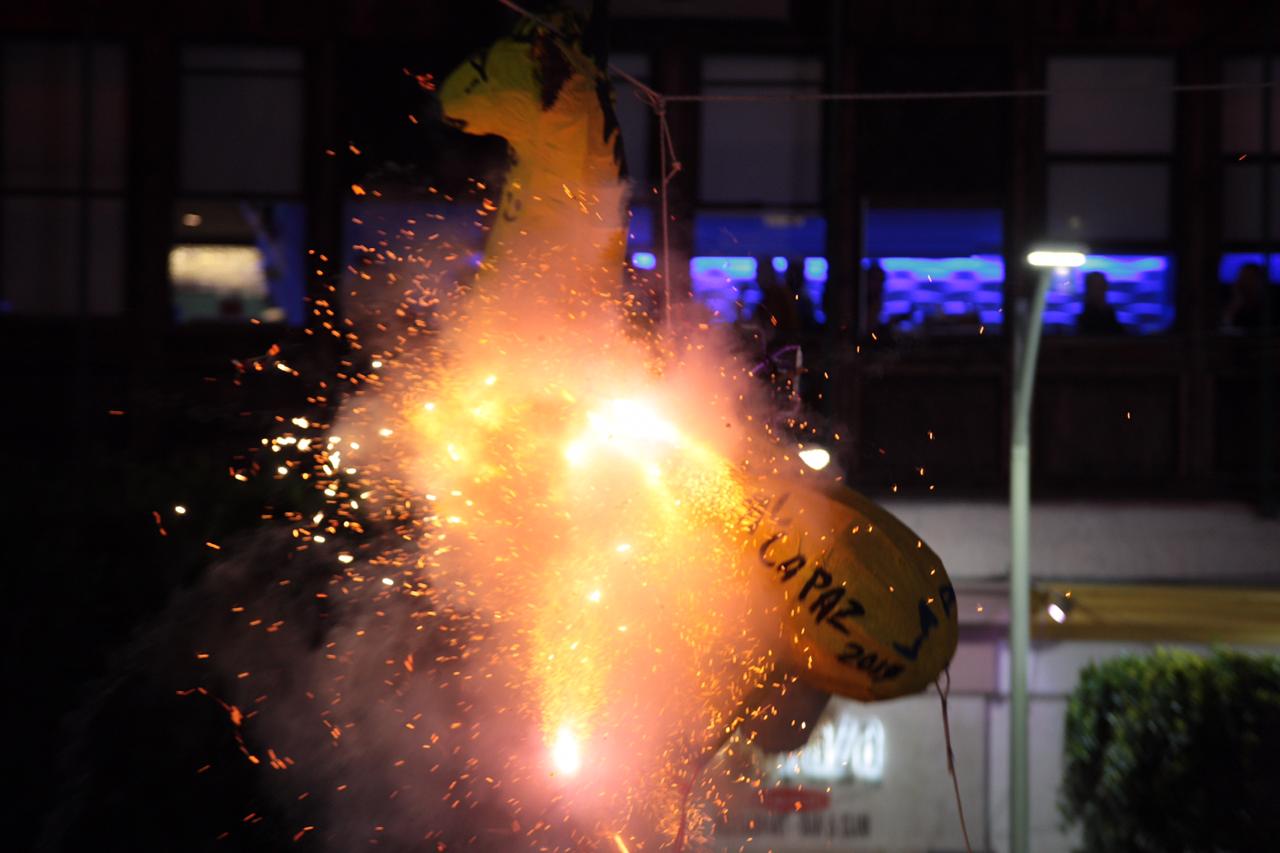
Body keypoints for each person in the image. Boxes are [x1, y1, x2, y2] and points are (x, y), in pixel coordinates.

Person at [1221, 262, 1269, 332]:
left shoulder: (1269, 305)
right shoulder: (1233, 299)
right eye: (1242, 277)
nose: (1244, 281)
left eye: (1249, 278)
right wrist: (1236, 302)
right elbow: (1224, 326)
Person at [1077, 271, 1124, 335]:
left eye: (1101, 286)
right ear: (1089, 289)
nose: (1098, 291)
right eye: (1095, 287)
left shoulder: (1110, 313)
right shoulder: (1085, 319)